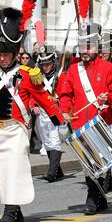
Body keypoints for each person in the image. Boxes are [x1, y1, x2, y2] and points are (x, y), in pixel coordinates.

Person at [0, 7, 64, 222]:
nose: (2, 58)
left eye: (6, 54)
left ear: (13, 53)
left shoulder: (26, 75)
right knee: (1, 175)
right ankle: (18, 214)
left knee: (13, 172)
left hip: (16, 131)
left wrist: (59, 120)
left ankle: (9, 215)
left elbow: (44, 98)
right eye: (0, 54)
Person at [59, 22, 112, 215]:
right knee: (88, 163)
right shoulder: (73, 70)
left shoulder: (109, 68)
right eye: (82, 46)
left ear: (97, 47)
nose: (85, 50)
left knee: (99, 161)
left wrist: (108, 97)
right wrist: (64, 111)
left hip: (101, 121)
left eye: (89, 46)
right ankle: (95, 196)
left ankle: (94, 197)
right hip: (80, 122)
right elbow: (65, 94)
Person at [30, 46, 65, 182]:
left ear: (53, 63)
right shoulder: (38, 79)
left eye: (48, 64)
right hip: (42, 114)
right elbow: (32, 96)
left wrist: (59, 100)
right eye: (43, 64)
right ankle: (58, 171)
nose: (45, 67)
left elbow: (67, 94)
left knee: (55, 141)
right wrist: (33, 106)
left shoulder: (61, 77)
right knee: (47, 142)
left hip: (56, 112)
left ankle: (52, 173)